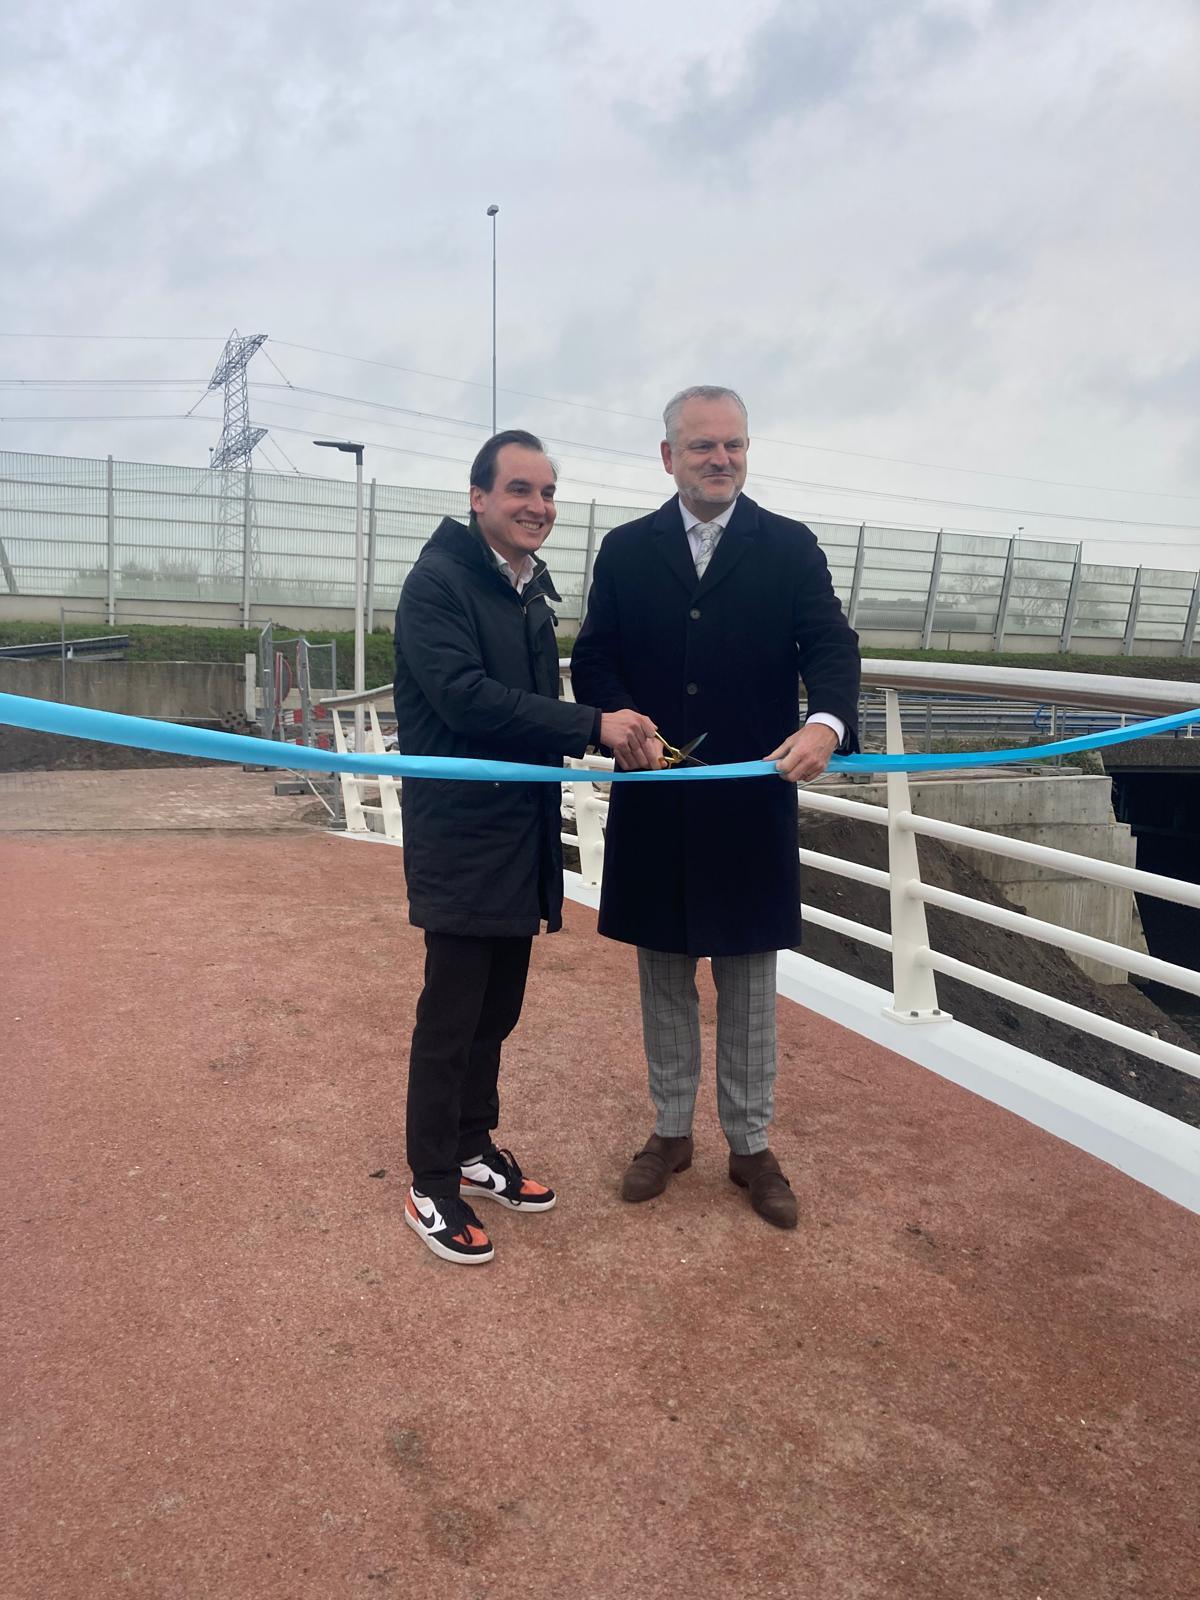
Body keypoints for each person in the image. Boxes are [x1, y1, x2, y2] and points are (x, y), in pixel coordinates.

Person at [571, 386, 861, 1229]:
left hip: (749, 802)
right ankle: (669, 1133)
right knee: (663, 975)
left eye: (733, 445)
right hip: (655, 798)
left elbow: (830, 645)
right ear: (668, 457)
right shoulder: (626, 552)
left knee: (748, 984)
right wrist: (616, 718)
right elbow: (597, 659)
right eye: (702, 447)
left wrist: (825, 721)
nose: (720, 460)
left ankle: (750, 1145)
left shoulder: (790, 547)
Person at [393, 429, 658, 1264]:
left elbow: (538, 701)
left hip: (524, 827)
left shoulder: (529, 593)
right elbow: (469, 701)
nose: (537, 507)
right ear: (478, 498)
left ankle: (474, 1148)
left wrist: (619, 723)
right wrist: (593, 725)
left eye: (547, 493)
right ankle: (431, 1179)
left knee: (498, 1008)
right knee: (452, 1010)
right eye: (519, 491)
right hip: (465, 831)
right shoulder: (437, 583)